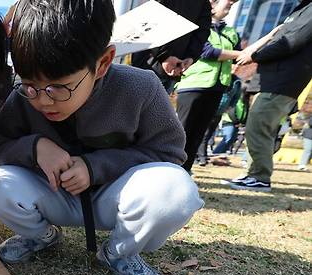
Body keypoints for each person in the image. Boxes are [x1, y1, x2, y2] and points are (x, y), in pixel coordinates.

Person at [0, 0, 204, 275]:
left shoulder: (141, 88)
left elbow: (170, 154)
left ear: (103, 63)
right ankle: (41, 236)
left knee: (176, 190)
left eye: (60, 87)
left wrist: (94, 166)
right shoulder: (23, 98)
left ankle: (119, 252)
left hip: (115, 202)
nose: (43, 100)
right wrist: (35, 148)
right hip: (54, 196)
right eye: (30, 85)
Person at [226, 0, 311, 191]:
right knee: (256, 126)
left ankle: (260, 177)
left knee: (259, 125)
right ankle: (252, 174)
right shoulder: (300, 9)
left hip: (284, 81)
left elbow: (292, 41)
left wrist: (254, 56)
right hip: (273, 79)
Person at [175, 0, 240, 172]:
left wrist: (236, 55)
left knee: (199, 133)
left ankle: (185, 171)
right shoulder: (200, 27)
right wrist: (239, 53)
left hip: (218, 87)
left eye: (232, 6)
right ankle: (169, 168)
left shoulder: (231, 32)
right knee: (182, 131)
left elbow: (236, 57)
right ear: (213, 4)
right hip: (193, 84)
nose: (229, 8)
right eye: (227, 4)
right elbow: (208, 52)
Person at [131, 0, 211, 92]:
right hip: (152, 64)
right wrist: (188, 57)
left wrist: (190, 57)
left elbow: (202, 32)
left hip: (167, 67)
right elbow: (148, 18)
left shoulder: (203, 3)